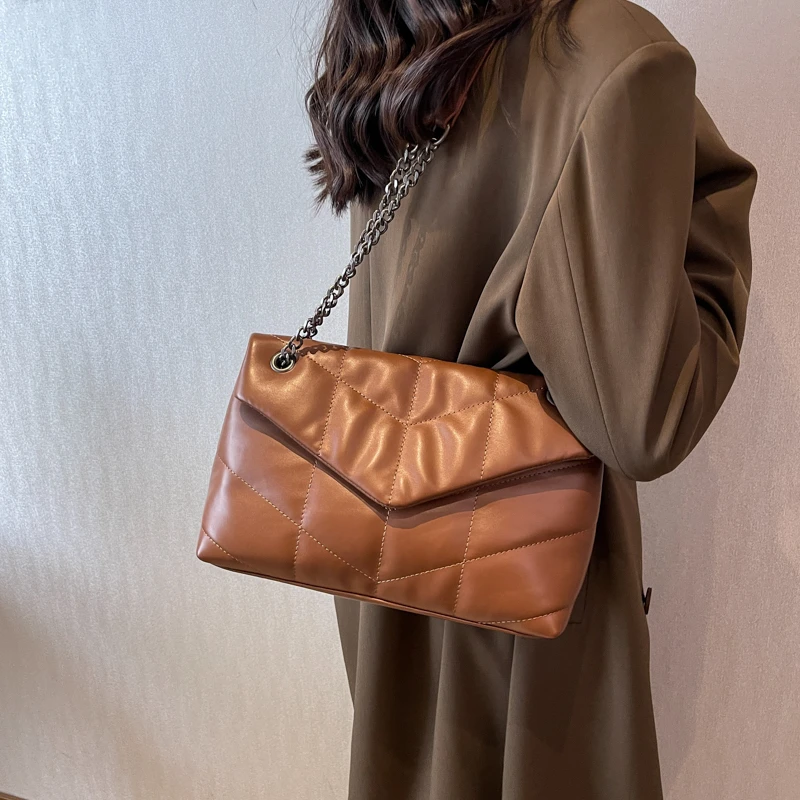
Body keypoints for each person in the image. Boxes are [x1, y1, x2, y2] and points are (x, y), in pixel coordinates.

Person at [303, 1, 757, 797]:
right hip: (523, 601)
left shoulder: (394, 39)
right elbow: (648, 420)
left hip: (386, 569)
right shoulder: (613, 56)